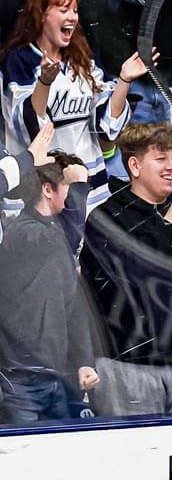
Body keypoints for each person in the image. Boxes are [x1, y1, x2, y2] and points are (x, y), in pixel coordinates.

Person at [79, 122, 172, 417]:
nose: (171, 167)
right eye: (161, 159)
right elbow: (138, 275)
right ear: (134, 165)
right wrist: (168, 224)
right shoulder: (106, 217)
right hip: (128, 367)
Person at [2, 0, 148, 213]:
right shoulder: (19, 61)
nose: (72, 17)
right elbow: (27, 129)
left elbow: (107, 128)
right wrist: (44, 83)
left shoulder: (84, 60)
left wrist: (124, 80)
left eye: (75, 11)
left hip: (91, 188)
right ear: (41, 15)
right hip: (40, 195)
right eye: (63, 10)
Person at [0, 149, 99, 424]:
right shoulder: (24, 233)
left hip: (55, 376)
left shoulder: (52, 234)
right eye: (65, 188)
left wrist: (83, 360)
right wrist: (80, 186)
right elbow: (60, 236)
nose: (69, 196)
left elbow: (72, 303)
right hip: (20, 381)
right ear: (48, 189)